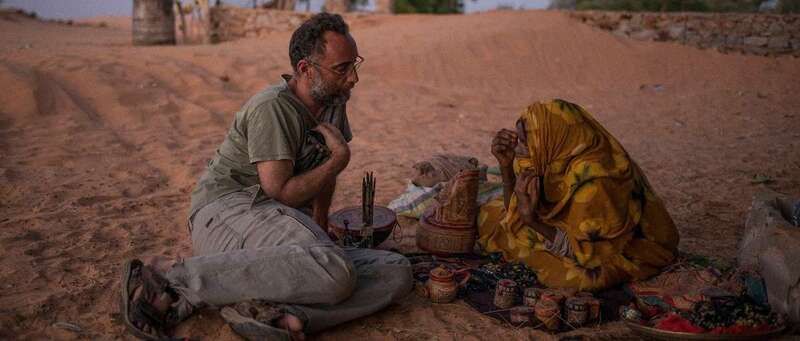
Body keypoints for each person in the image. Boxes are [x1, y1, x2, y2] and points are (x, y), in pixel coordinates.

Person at [119, 13, 413, 341]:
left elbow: (322, 174)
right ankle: (170, 278)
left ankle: (276, 314)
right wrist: (338, 161)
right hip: (229, 212)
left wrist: (320, 224)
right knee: (334, 270)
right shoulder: (272, 107)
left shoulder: (332, 102)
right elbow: (281, 191)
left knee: (395, 271)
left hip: (279, 224)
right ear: (306, 69)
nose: (353, 78)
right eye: (342, 68)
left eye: (354, 64)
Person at [479, 99, 680, 291]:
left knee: (579, 278)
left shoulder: (596, 184)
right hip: (562, 232)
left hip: (615, 249)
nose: (518, 147)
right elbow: (513, 211)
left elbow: (588, 255)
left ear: (551, 137)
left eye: (524, 141)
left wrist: (531, 221)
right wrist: (506, 166)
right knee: (490, 215)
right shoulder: (552, 157)